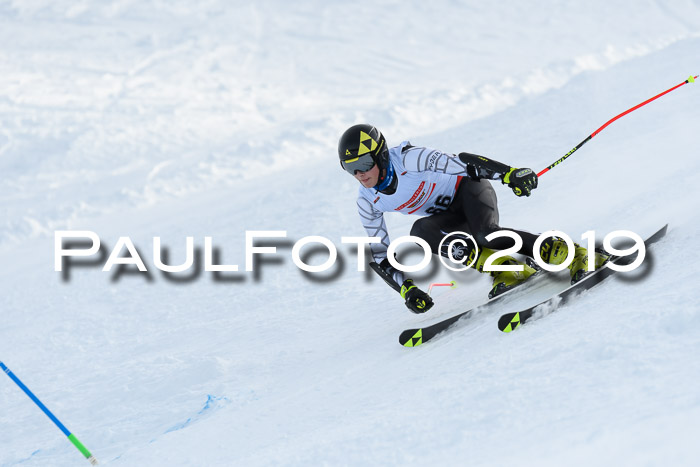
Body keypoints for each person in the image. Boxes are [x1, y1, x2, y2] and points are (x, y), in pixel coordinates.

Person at [338, 124, 607, 314]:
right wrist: (406, 290)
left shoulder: (409, 159)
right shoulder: (367, 201)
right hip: (448, 217)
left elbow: (463, 163)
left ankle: (575, 254)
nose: (360, 174)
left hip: (468, 190)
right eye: (350, 169)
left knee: (486, 234)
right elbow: (380, 254)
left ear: (381, 155)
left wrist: (508, 173)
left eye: (363, 164)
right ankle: (506, 268)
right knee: (421, 231)